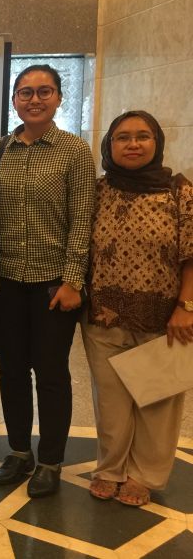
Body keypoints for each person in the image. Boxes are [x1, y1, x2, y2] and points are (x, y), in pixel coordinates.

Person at [0, 64, 95, 498]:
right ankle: (18, 451)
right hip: (5, 281)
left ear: (58, 98)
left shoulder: (73, 151)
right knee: (10, 370)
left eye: (44, 91)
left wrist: (72, 281)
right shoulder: (0, 149)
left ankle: (49, 458)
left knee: (51, 372)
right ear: (14, 99)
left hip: (53, 284)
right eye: (25, 92)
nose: (34, 99)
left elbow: (81, 220)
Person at [81, 110, 193, 507]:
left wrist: (187, 306)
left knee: (157, 401)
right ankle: (110, 469)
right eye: (122, 137)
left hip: (164, 319)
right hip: (104, 316)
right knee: (110, 401)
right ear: (110, 145)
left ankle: (144, 475)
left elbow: (191, 256)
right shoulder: (98, 191)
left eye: (142, 136)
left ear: (157, 142)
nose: (132, 144)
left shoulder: (179, 191)